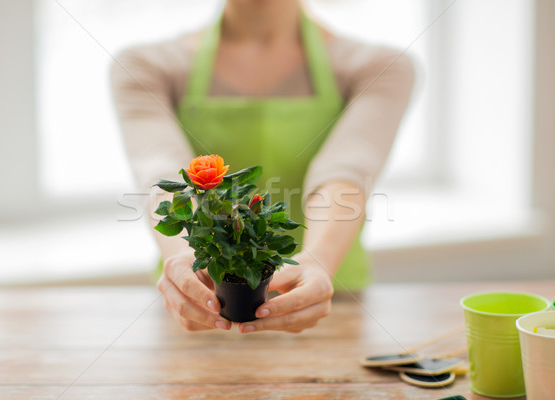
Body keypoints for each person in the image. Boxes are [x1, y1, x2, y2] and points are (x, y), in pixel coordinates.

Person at [110, 0, 415, 334]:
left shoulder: (381, 66)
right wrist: (187, 265)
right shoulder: (145, 65)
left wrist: (318, 262)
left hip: (332, 303)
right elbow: (162, 174)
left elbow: (345, 170)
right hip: (197, 307)